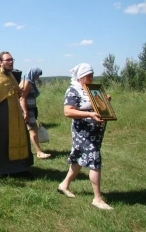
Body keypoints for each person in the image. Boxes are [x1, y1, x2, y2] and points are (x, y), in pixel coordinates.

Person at [58, 63, 113, 210]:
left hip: (95, 132)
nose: (91, 78)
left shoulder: (92, 89)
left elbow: (95, 106)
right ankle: (97, 198)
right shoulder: (73, 90)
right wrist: (89, 114)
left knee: (80, 160)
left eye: (92, 75)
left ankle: (64, 185)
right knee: (94, 160)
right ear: (80, 77)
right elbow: (68, 112)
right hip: (83, 132)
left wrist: (104, 103)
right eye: (88, 76)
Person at [19, 67, 51, 159]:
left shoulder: (27, 81)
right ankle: (39, 152)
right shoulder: (27, 83)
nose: (38, 78)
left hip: (30, 110)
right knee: (33, 130)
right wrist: (26, 112)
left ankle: (25, 150)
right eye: (37, 75)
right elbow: (22, 98)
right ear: (33, 74)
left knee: (29, 130)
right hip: (28, 111)